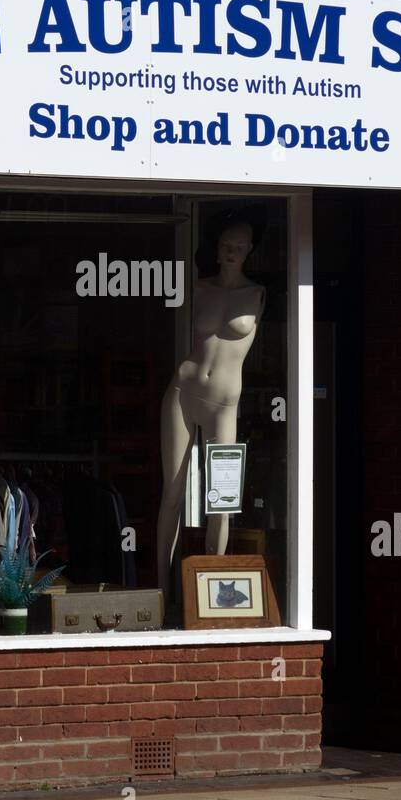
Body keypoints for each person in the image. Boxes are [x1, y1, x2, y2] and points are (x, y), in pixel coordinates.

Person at [156, 219, 265, 605]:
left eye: (239, 244)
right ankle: (163, 592)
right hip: (184, 389)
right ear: (216, 248)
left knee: (220, 499)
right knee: (172, 492)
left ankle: (213, 598)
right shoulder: (198, 288)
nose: (231, 250)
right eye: (225, 243)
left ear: (250, 248)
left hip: (224, 403)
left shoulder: (257, 294)